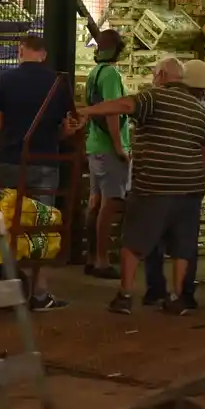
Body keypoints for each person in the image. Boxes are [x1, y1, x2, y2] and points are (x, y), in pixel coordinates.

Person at [75, 62, 205, 315]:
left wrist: (88, 110)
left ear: (161, 76)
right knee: (183, 245)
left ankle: (125, 295)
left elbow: (125, 105)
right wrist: (200, 178)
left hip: (155, 184)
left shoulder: (154, 96)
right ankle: (176, 297)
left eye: (153, 73)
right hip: (190, 189)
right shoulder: (199, 109)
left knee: (134, 239)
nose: (152, 77)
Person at [0, 35, 70, 312]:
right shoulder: (58, 84)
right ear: (44, 55)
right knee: (41, 228)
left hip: (11, 161)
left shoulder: (4, 80)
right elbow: (67, 126)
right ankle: (39, 293)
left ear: (20, 51)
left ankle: (3, 287)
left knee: (7, 225)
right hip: (46, 161)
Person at [145, 58, 205, 312]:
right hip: (163, 178)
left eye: (203, 90)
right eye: (197, 90)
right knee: (156, 237)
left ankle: (184, 292)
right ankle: (156, 288)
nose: (201, 94)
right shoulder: (162, 101)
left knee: (184, 240)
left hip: (186, 181)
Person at [83, 29, 130, 280]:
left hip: (94, 146)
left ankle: (91, 258)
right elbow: (113, 111)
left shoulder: (94, 73)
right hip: (108, 147)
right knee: (110, 203)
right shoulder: (110, 74)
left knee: (95, 203)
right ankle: (102, 259)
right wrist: (119, 146)